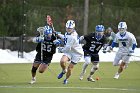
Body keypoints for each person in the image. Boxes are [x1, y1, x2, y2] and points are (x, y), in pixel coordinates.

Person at [56, 20, 84, 84]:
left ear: (73, 28)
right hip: (70, 51)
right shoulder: (67, 33)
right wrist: (58, 34)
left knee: (70, 68)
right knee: (62, 61)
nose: (68, 29)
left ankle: (66, 79)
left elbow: (67, 48)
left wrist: (61, 49)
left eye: (70, 28)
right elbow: (65, 38)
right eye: (67, 28)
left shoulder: (73, 36)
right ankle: (63, 71)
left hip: (77, 53)